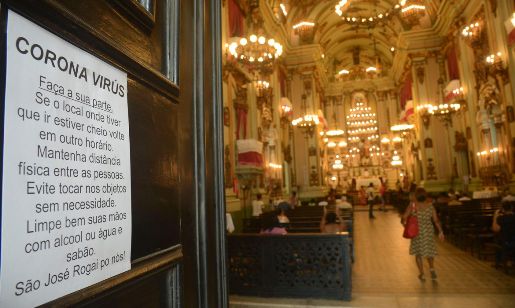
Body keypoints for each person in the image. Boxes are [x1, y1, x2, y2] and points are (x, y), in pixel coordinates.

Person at [402, 187, 444, 281]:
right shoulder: (430, 206)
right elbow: (436, 220)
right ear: (425, 196)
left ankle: (422, 274)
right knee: (429, 251)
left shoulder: (412, 206)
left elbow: (404, 217)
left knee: (418, 253)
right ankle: (432, 268)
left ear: (416, 196)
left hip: (417, 232)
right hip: (428, 231)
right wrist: (441, 232)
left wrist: (405, 225)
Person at [492, 200, 515, 267]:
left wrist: (495, 216)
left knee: (498, 240)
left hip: (506, 241)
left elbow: (495, 229)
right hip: (512, 240)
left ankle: (500, 261)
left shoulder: (501, 218)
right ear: (512, 208)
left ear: (503, 209)